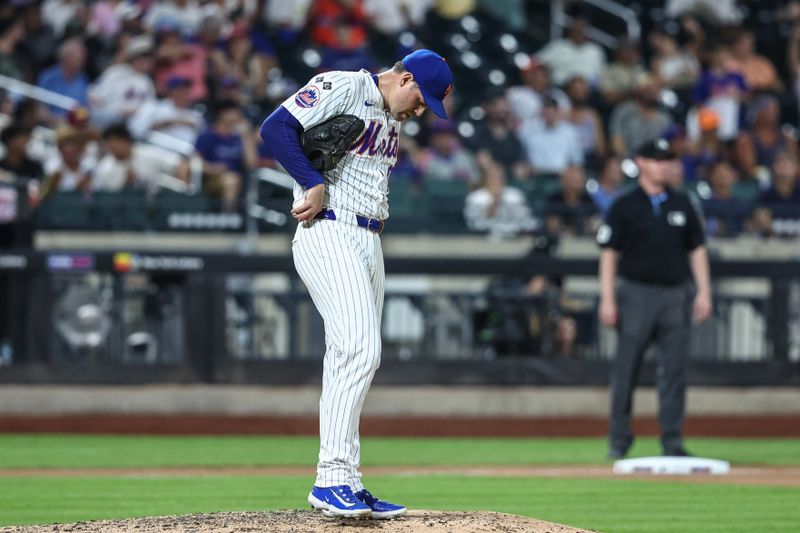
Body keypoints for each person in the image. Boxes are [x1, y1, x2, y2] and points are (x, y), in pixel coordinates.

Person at [258, 48, 453, 519]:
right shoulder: (345, 84)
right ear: (403, 78)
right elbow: (275, 128)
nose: (421, 110)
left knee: (349, 356)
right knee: (361, 350)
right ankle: (330, 479)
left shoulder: (391, 116)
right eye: (421, 98)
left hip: (368, 239)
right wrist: (309, 179)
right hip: (330, 227)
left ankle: (346, 479)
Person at [597, 139, 712, 459]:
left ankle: (672, 440)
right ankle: (619, 441)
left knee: (674, 369)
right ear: (641, 163)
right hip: (635, 292)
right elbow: (609, 254)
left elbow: (697, 249)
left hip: (676, 293)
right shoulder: (624, 205)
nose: (665, 164)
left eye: (669, 159)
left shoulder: (683, 203)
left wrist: (704, 291)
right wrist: (607, 298)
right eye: (658, 159)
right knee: (626, 369)